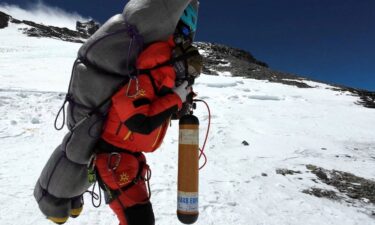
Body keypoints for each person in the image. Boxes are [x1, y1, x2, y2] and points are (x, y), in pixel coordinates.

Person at [94, 5, 202, 225]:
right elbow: (139, 121)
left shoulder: (159, 64)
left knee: (140, 219)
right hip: (114, 160)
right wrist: (175, 99)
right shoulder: (152, 61)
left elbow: (152, 108)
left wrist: (177, 102)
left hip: (129, 160)